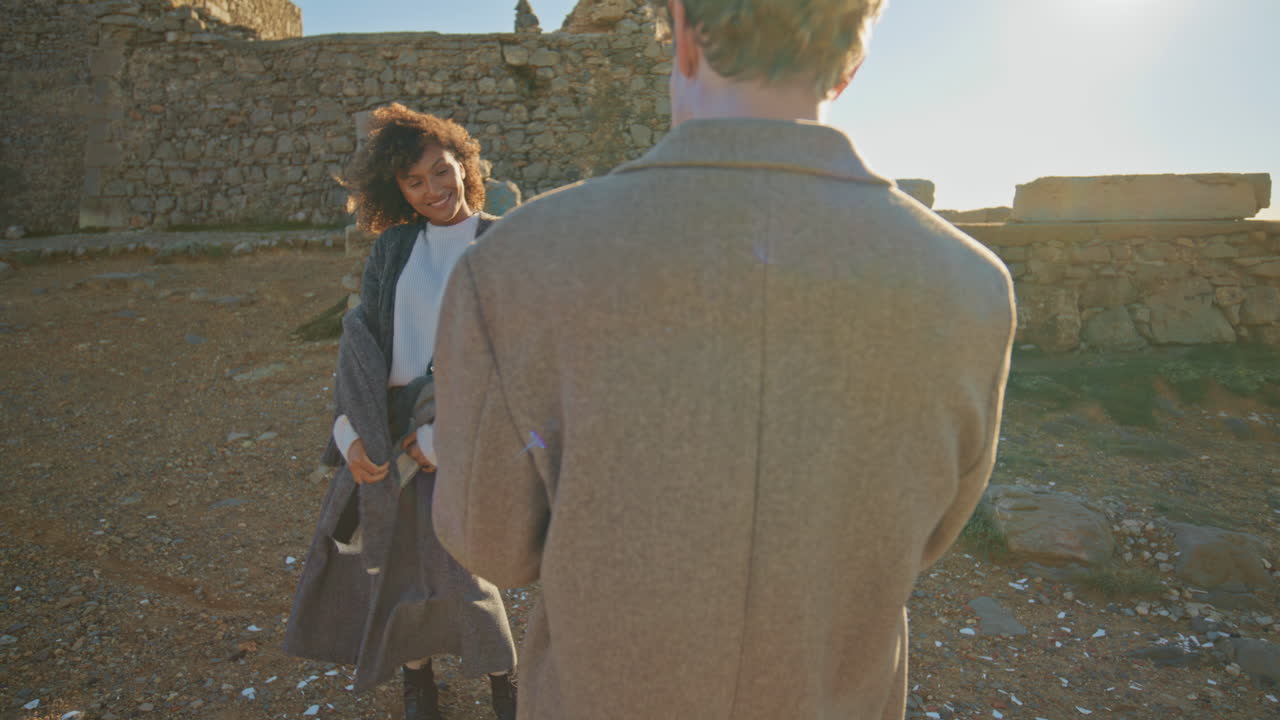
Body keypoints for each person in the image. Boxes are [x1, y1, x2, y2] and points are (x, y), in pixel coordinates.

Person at [429, 0, 1017, 717]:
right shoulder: (973, 286)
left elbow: (489, 543)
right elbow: (927, 534)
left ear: (681, 34)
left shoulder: (512, 264)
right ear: (853, 64)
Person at [284, 103, 518, 720]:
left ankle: (504, 681)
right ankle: (419, 681)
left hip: (462, 435)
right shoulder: (393, 250)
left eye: (442, 171)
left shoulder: (502, 241)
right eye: (414, 182)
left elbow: (512, 362)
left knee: (466, 571)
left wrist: (444, 438)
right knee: (394, 562)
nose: (433, 190)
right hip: (387, 435)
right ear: (397, 191)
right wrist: (350, 433)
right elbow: (360, 348)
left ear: (465, 165)